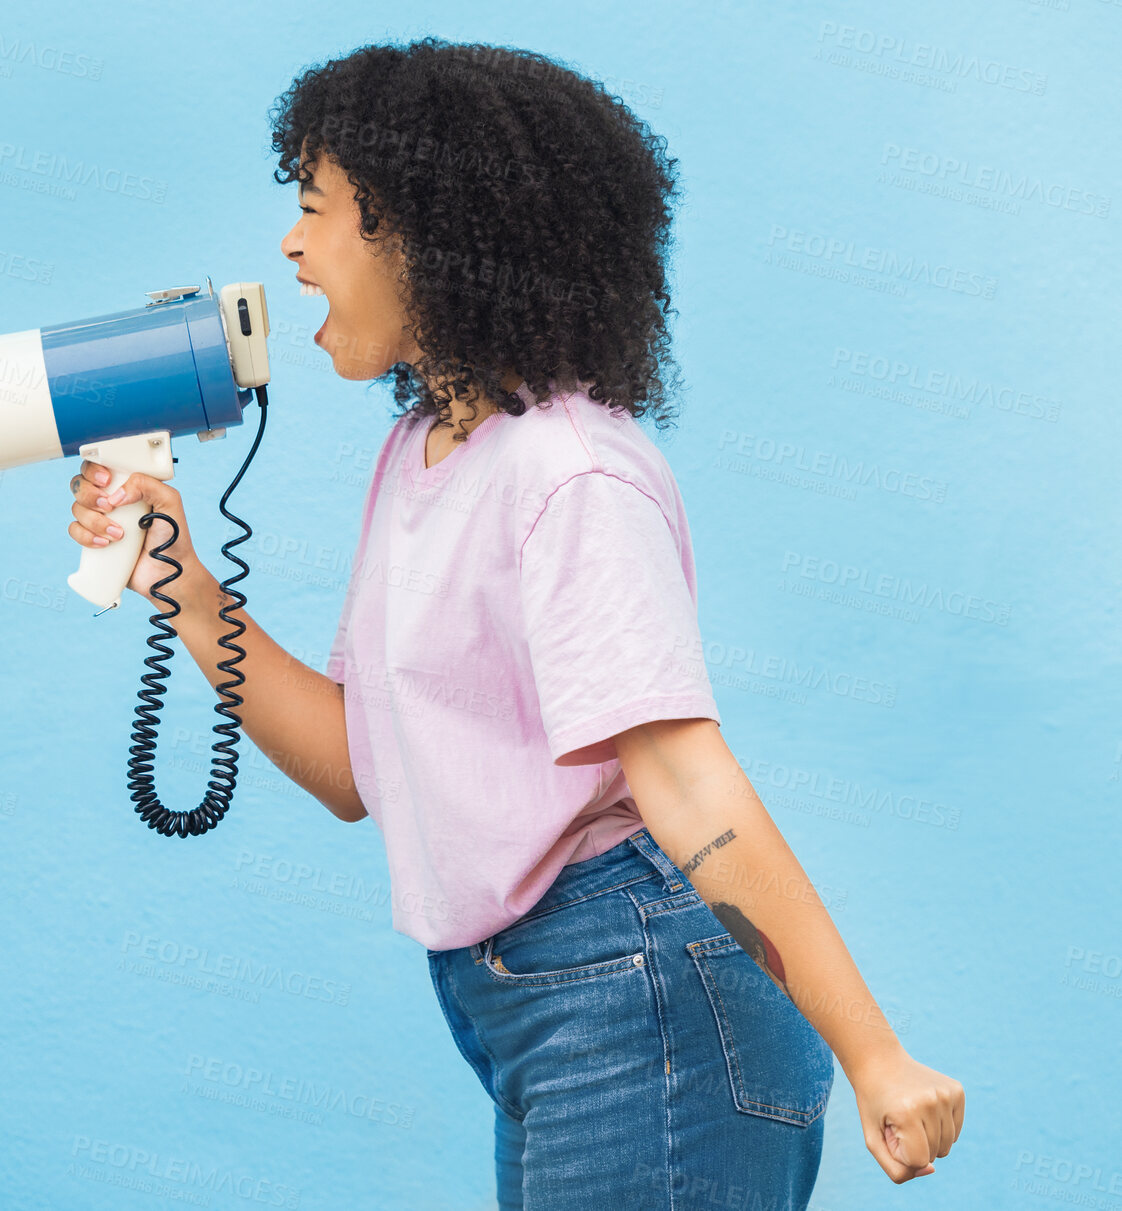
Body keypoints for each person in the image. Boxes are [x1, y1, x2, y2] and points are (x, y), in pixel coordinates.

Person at [67, 37, 964, 1210]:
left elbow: (686, 780)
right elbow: (357, 768)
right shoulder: (423, 454)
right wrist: (185, 586)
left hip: (641, 998)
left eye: (317, 207)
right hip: (541, 1000)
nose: (290, 245)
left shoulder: (569, 473)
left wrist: (873, 1050)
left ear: (425, 231)